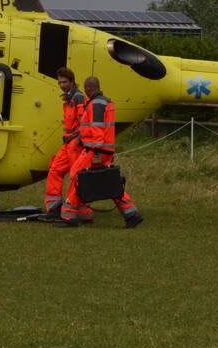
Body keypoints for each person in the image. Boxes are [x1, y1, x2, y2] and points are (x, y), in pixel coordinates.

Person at [56, 76, 143, 229]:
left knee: (77, 175)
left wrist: (95, 153)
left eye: (86, 88)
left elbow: (97, 131)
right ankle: (131, 214)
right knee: (109, 182)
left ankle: (69, 215)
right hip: (104, 150)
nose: (85, 92)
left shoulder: (96, 104)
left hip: (95, 151)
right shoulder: (104, 102)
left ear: (90, 88)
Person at [43, 67, 85, 218]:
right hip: (68, 143)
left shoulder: (78, 98)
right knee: (55, 169)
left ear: (72, 81)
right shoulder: (68, 98)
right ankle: (54, 207)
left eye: (65, 82)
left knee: (76, 176)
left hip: (75, 143)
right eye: (60, 82)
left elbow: (83, 122)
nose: (61, 85)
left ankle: (75, 209)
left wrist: (78, 140)